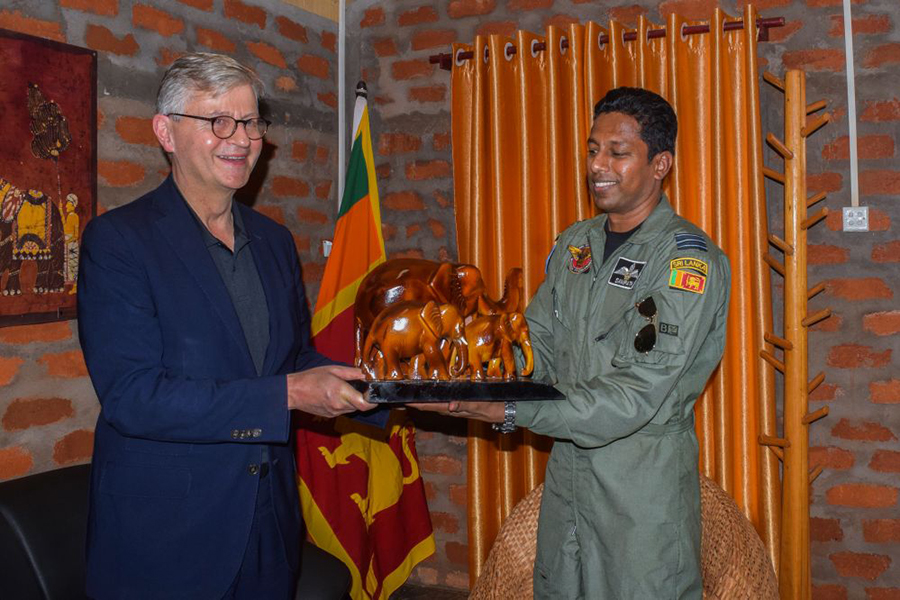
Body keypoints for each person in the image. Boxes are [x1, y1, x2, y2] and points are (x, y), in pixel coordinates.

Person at [77, 52, 375, 599]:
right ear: (165, 132)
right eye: (218, 120)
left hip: (269, 529)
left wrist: (377, 382)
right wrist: (286, 394)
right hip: (168, 542)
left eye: (251, 121)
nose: (241, 138)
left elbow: (288, 360)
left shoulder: (275, 241)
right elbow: (133, 396)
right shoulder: (118, 243)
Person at [432, 87, 731, 598]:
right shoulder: (577, 244)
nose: (598, 164)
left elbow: (634, 394)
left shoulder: (687, 261)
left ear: (661, 164)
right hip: (568, 480)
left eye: (618, 152)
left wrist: (507, 410)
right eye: (593, 149)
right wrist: (470, 364)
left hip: (639, 490)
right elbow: (538, 345)